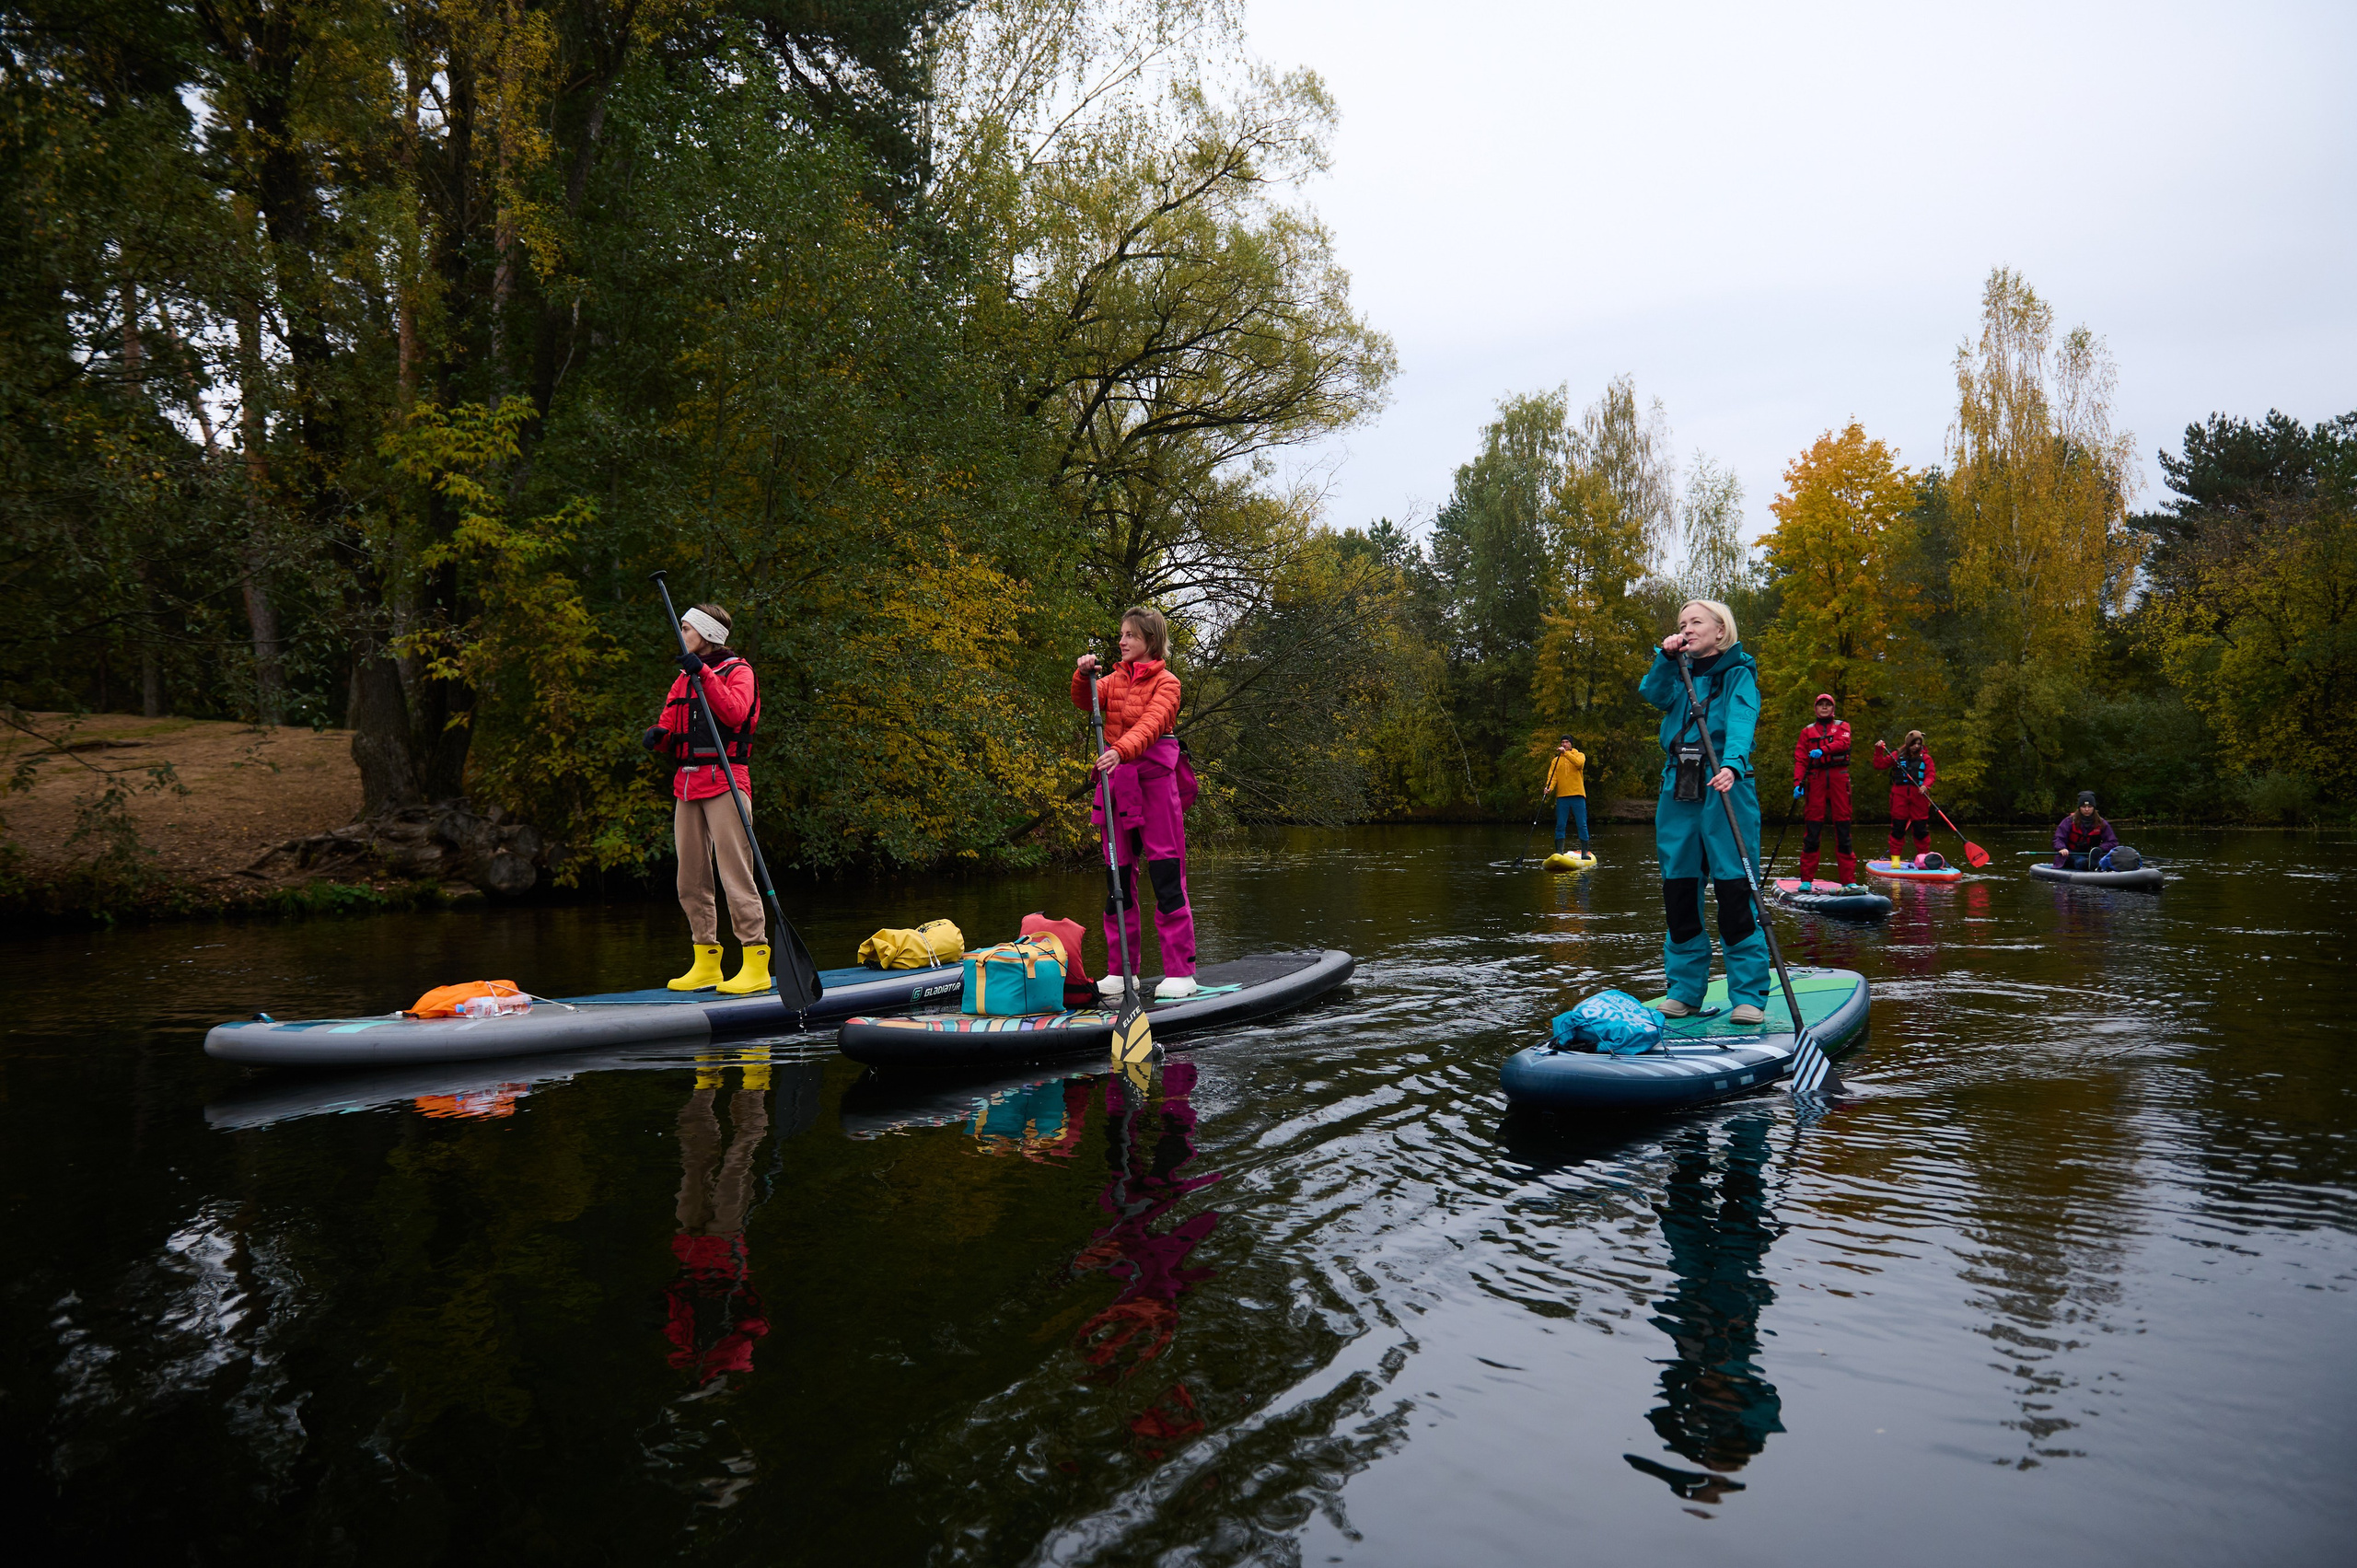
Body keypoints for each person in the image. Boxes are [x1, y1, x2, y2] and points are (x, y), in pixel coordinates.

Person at [1640, 599, 1769, 1027]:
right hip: (1679, 786)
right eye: (1681, 623)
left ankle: (1749, 994)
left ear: (1720, 630)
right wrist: (1665, 658)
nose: (1687, 628)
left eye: (1696, 622)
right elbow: (1652, 695)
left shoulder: (1739, 674)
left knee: (1734, 892)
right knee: (1678, 892)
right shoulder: (1676, 671)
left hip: (1726, 785)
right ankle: (1684, 991)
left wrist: (1732, 764)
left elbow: (1742, 721)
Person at [1074, 607, 1198, 1001]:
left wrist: (1120, 751)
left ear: (1150, 640)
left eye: (1130, 635)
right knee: (1117, 881)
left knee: (1165, 877)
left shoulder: (1169, 684)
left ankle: (1181, 972)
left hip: (1156, 784)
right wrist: (1083, 674)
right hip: (1117, 784)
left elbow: (1151, 724)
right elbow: (1082, 699)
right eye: (1122, 634)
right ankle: (1120, 971)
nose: (1122, 641)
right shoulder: (1110, 680)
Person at [645, 602, 770, 994]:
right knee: (690, 879)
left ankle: (755, 960)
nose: (681, 635)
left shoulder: (739, 672)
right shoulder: (684, 678)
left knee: (735, 876)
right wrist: (659, 736)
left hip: (727, 782)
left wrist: (703, 673)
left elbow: (735, 713)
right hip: (687, 786)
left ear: (706, 633)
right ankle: (707, 960)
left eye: (686, 628)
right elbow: (670, 721)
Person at [1791, 692, 1855, 884]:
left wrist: (1823, 750)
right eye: (1821, 705)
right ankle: (1806, 880)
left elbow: (1843, 743)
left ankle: (1848, 881)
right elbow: (1801, 759)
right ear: (1816, 709)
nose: (1824, 708)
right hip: (1816, 780)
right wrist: (1798, 783)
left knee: (1843, 832)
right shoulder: (1807, 732)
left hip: (1839, 780)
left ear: (1833, 708)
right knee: (1812, 833)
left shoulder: (1843, 726)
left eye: (1828, 705)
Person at [1872, 730, 1937, 866]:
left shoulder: (1926, 758)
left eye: (1919, 744)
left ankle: (1923, 859)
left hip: (1919, 797)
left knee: (1920, 830)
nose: (1916, 746)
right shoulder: (1896, 756)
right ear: (1908, 743)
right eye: (1914, 743)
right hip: (1899, 796)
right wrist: (1878, 750)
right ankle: (1895, 860)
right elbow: (1879, 765)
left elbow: (1931, 775)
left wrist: (1926, 786)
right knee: (1898, 828)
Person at [1543, 736, 1590, 858]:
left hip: (1577, 795)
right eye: (1562, 742)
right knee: (1560, 824)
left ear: (1571, 744)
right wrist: (1549, 788)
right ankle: (1559, 851)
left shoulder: (1579, 755)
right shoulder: (1556, 760)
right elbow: (1553, 777)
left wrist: (1566, 754)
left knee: (1582, 824)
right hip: (1562, 796)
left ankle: (1584, 852)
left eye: (1566, 742)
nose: (1564, 744)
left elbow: (1579, 764)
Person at [2054, 791, 2119, 869]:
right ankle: (2088, 864)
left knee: (2100, 860)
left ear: (2094, 808)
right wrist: (2061, 848)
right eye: (2084, 807)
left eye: (2090, 806)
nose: (2087, 809)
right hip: (2071, 854)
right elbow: (2058, 838)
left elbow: (2113, 842)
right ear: (2079, 808)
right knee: (2080, 862)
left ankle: (2094, 863)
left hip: (2093, 854)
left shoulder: (2101, 823)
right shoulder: (2068, 821)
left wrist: (2100, 849)